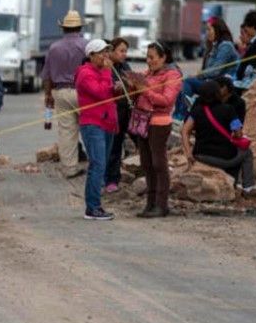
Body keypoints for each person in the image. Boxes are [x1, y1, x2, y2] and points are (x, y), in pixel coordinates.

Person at [128, 42, 182, 218]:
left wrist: (145, 90)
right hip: (142, 122)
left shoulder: (172, 75)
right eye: (147, 57)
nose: (148, 61)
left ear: (163, 57)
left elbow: (166, 100)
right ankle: (150, 204)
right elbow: (138, 96)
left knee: (159, 164)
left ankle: (162, 205)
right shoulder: (147, 74)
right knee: (147, 164)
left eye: (152, 57)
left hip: (159, 123)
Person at [181, 80, 256, 192]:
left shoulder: (196, 111)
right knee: (246, 153)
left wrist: (188, 153)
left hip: (201, 155)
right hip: (225, 157)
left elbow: (184, 131)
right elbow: (238, 133)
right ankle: (248, 187)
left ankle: (232, 183)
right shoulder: (229, 109)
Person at [75, 39, 120, 220]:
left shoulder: (101, 72)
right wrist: (109, 74)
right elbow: (100, 92)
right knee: (98, 164)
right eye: (101, 52)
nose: (105, 56)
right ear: (91, 55)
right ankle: (92, 207)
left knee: (101, 164)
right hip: (93, 124)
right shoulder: (85, 73)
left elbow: (108, 91)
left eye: (106, 52)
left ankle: (95, 205)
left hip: (107, 123)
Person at [41, 10, 88, 178]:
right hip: (84, 92)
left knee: (67, 131)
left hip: (61, 92)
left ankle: (69, 168)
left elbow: (46, 76)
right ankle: (96, 165)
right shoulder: (87, 46)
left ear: (63, 29)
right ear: (80, 27)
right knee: (90, 128)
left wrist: (48, 95)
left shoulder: (54, 48)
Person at [174, 17, 239, 120]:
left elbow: (216, 70)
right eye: (206, 30)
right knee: (183, 82)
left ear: (217, 29)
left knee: (188, 82)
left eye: (209, 29)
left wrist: (199, 74)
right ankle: (179, 114)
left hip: (220, 84)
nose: (207, 33)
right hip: (210, 81)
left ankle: (182, 115)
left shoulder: (226, 46)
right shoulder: (213, 46)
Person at [104, 37, 133, 193]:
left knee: (116, 146)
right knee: (104, 148)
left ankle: (112, 179)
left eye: (125, 51)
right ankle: (103, 178)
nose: (124, 54)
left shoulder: (124, 67)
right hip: (106, 115)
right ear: (111, 51)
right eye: (121, 51)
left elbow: (131, 83)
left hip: (122, 114)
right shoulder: (104, 67)